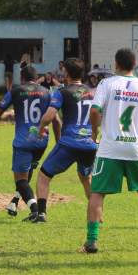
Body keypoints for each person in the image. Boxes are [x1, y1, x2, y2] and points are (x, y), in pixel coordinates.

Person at [79, 48, 138, 253]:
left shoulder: (106, 84)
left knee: (97, 193)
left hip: (110, 148)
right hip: (135, 149)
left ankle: (91, 242)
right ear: (134, 64)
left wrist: (94, 133)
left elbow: (95, 110)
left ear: (116, 64)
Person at [34, 58, 97, 223]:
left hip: (69, 143)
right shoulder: (93, 92)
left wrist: (41, 128)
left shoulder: (62, 92)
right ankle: (97, 216)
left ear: (66, 74)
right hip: (89, 145)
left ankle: (41, 214)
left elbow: (49, 115)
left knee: (43, 176)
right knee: (86, 178)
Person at [0, 66, 53, 219]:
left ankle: (35, 209)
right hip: (42, 140)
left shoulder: (16, 91)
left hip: (24, 141)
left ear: (22, 77)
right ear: (36, 77)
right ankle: (15, 200)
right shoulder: (47, 92)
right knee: (29, 170)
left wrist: (9, 114)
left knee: (21, 180)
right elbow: (54, 117)